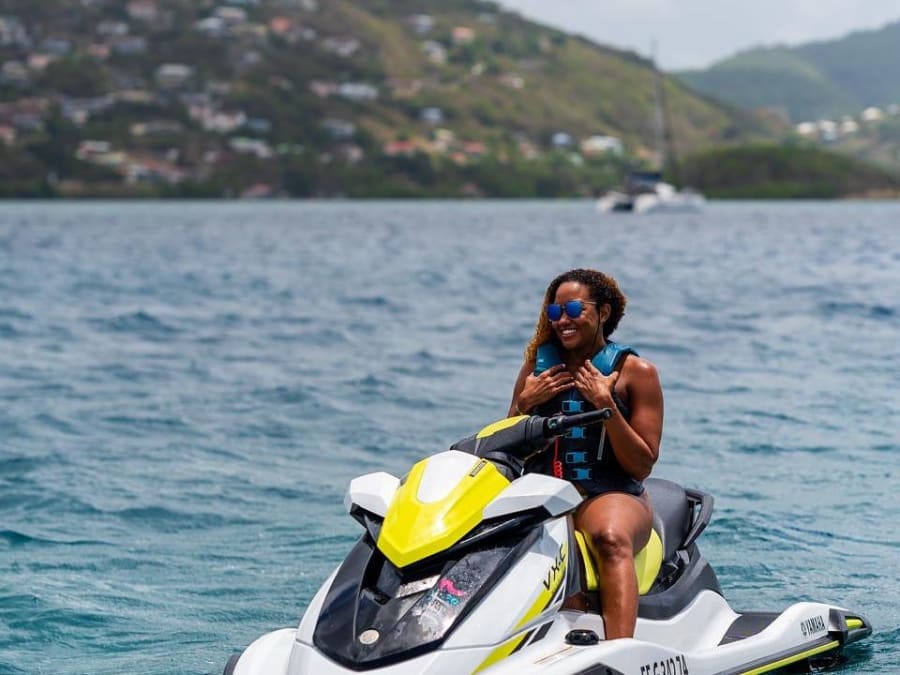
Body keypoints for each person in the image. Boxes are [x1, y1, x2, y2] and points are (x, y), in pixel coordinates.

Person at [508, 268, 663, 639]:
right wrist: (525, 404)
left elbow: (641, 465)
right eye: (554, 312)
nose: (563, 320)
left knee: (610, 539)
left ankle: (619, 651)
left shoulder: (635, 372)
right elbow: (505, 441)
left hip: (607, 491)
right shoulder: (537, 368)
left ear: (603, 313)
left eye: (574, 308)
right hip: (544, 491)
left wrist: (604, 404)